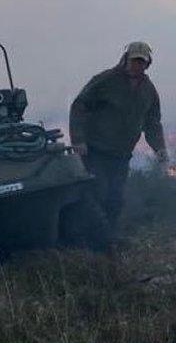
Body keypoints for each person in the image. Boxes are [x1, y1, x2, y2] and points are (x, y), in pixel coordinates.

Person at [69, 41, 168, 236]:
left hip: (122, 155)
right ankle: (87, 240)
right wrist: (78, 139)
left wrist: (160, 149)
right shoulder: (105, 81)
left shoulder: (148, 91)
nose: (137, 65)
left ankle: (108, 239)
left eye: (141, 62)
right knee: (97, 193)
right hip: (96, 151)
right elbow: (79, 106)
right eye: (134, 61)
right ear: (125, 60)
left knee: (115, 199)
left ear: (148, 64)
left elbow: (153, 123)